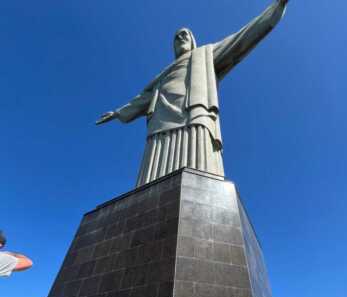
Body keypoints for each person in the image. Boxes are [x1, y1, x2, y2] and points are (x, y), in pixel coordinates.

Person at [96, 1, 289, 187]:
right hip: (160, 120)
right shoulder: (162, 76)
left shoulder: (205, 55)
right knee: (153, 170)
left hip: (194, 112)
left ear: (192, 40)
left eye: (184, 35)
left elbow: (241, 39)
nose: (180, 38)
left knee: (199, 164)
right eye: (176, 37)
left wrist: (276, 8)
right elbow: (142, 99)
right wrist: (118, 113)